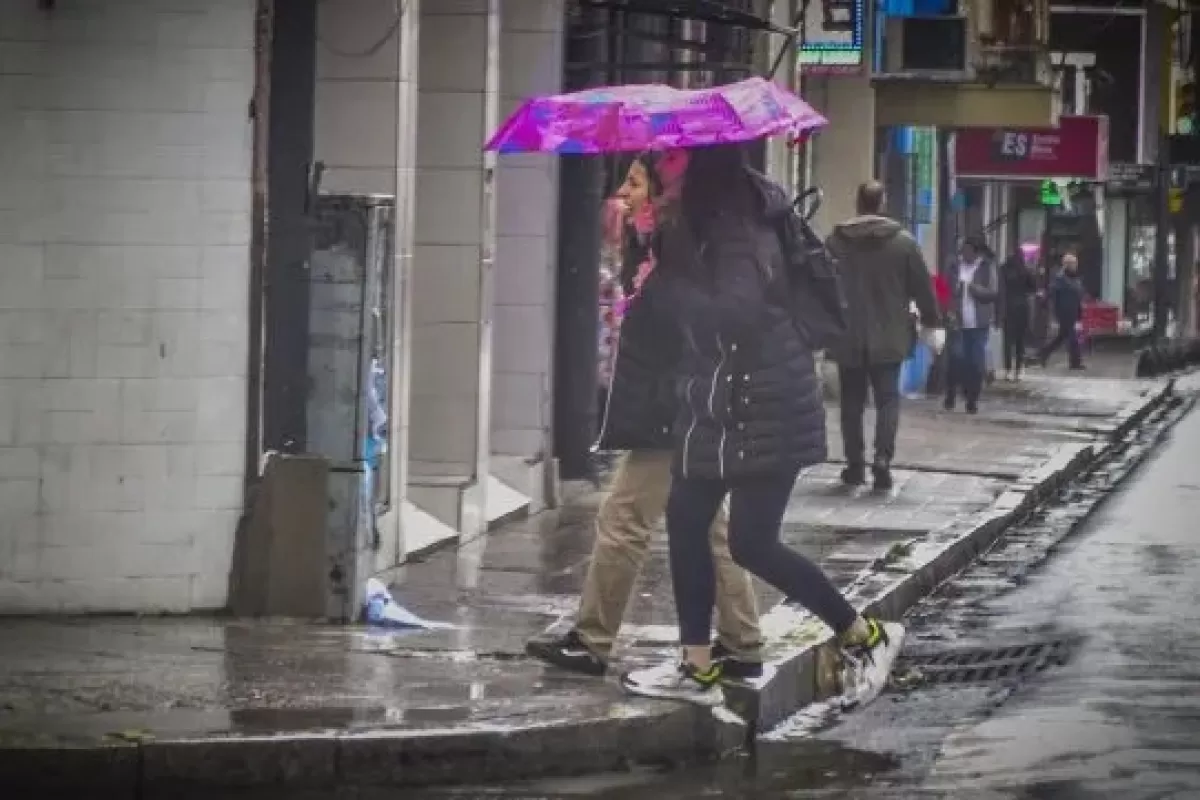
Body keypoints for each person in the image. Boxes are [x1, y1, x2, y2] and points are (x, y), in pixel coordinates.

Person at [620, 145, 903, 708]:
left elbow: (737, 312)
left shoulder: (736, 226)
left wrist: (666, 280)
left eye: (666, 164)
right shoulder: (703, 223)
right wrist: (649, 254)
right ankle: (696, 665)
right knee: (687, 516)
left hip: (765, 401)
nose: (657, 173)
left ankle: (867, 635)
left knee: (751, 542)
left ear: (694, 170)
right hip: (729, 402)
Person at [526, 153, 764, 680]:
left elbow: (689, 331)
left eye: (635, 183)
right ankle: (743, 641)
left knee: (623, 519)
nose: (623, 192)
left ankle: (592, 642)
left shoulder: (677, 247)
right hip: (681, 407)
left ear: (663, 189)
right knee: (711, 527)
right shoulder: (661, 242)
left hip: (672, 411)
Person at [825, 181, 943, 491]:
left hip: (847, 334)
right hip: (889, 335)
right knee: (888, 400)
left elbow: (821, 284)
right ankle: (882, 459)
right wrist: (933, 321)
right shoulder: (903, 243)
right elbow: (923, 288)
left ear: (858, 203)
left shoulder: (836, 243)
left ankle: (854, 465)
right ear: (883, 202)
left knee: (851, 402)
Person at [944, 236, 999, 414]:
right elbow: (944, 289)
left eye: (968, 251)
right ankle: (950, 394)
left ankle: (972, 399)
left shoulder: (986, 267)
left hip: (978, 323)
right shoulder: (954, 266)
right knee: (956, 358)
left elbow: (992, 292)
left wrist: (974, 289)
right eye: (963, 251)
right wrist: (949, 306)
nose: (965, 255)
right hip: (957, 322)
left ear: (977, 252)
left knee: (975, 362)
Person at [1037, 252, 1086, 370]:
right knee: (1072, 337)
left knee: (1062, 336)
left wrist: (1080, 309)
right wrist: (1044, 301)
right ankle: (1075, 362)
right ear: (1067, 265)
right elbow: (1051, 291)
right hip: (1064, 311)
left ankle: (1044, 352)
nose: (1076, 266)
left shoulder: (1074, 278)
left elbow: (1078, 294)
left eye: (1076, 264)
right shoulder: (1060, 278)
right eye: (1074, 264)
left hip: (1072, 311)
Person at [999, 249, 1037, 381]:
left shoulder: (1003, 269)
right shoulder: (1025, 270)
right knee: (1020, 340)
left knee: (1008, 341)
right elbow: (1033, 287)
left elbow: (1000, 288)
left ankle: (1007, 369)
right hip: (1022, 307)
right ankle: (1019, 369)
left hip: (1008, 307)